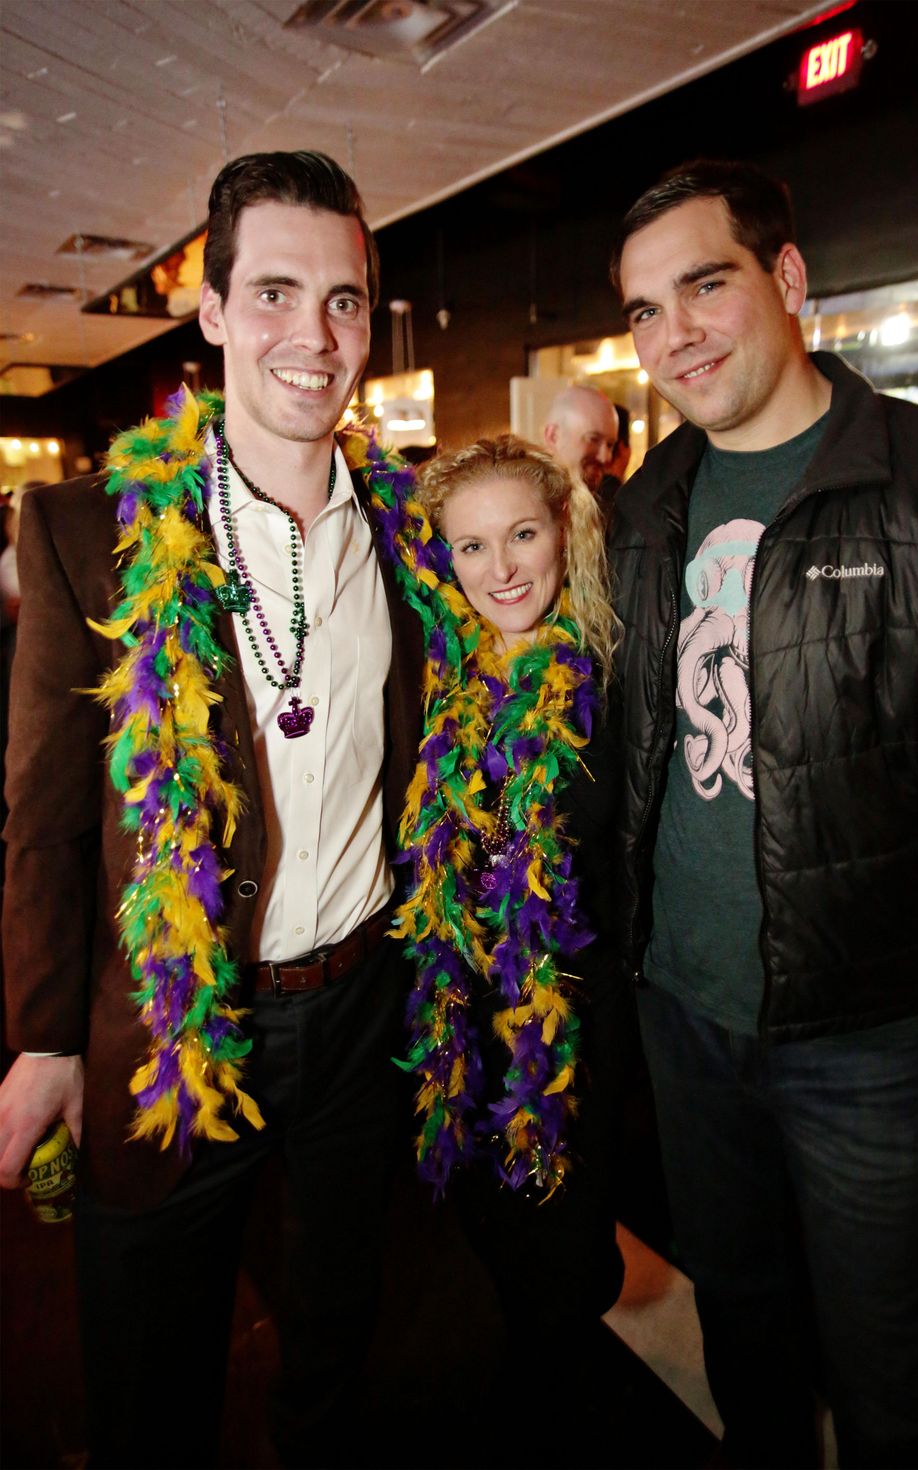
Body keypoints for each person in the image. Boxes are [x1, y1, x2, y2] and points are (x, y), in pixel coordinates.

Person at [0, 150, 422, 1469]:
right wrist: (42, 1036)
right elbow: (46, 814)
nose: (315, 335)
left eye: (344, 300)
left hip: (363, 1010)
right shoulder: (89, 532)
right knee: (149, 1376)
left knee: (343, 1340)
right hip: (173, 1021)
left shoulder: (418, 532)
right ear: (216, 310)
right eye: (279, 293)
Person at [608, 158, 918, 1469]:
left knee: (893, 1370)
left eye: (703, 285)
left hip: (863, 1034)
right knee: (743, 1332)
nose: (674, 336)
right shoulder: (644, 507)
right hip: (683, 1010)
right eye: (646, 309)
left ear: (789, 276)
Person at [382, 434, 631, 1389]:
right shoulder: (441, 683)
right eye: (473, 546)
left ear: (561, 531)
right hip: (465, 1018)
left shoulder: (608, 673)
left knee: (567, 1256)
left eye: (521, 534)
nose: (502, 568)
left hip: (576, 1025)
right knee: (490, 1235)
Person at [542, 382, 619, 496]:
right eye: (593, 439)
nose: (605, 457)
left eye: (610, 445)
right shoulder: (525, 502)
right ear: (553, 436)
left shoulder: (612, 504)